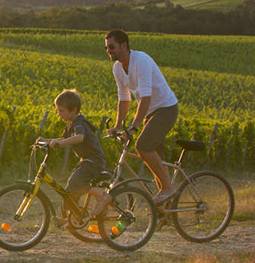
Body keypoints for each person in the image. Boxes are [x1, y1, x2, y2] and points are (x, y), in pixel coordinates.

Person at [105, 29, 179, 204]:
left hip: (166, 108)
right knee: (155, 157)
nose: (108, 51)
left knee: (143, 146)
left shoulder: (141, 61)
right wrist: (117, 126)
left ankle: (168, 189)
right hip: (151, 113)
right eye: (106, 48)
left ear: (124, 45)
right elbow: (124, 99)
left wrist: (133, 128)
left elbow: (146, 98)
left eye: (112, 47)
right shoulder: (117, 68)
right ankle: (166, 205)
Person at [41, 89, 109, 227]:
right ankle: (68, 218)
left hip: (94, 161)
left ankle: (103, 196)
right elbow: (62, 138)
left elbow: (79, 137)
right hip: (86, 161)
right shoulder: (71, 124)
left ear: (73, 110)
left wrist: (60, 144)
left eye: (61, 110)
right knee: (70, 189)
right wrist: (45, 141)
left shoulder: (79, 123)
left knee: (76, 182)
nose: (58, 114)